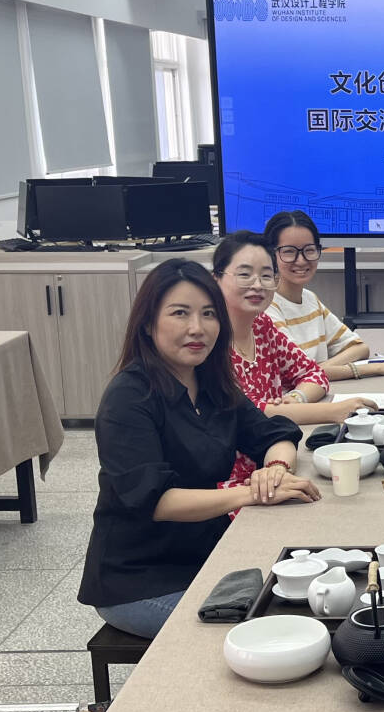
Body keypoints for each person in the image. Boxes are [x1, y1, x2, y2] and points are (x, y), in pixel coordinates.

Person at [78, 259, 320, 639]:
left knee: (308, 597)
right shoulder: (128, 397)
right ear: (148, 323)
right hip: (138, 582)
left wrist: (275, 469)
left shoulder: (212, 383)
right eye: (180, 313)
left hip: (206, 557)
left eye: (209, 314)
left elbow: (276, 432)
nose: (197, 328)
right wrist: (251, 493)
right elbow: (157, 501)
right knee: (270, 633)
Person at [212, 230, 378, 489]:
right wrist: (333, 411)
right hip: (228, 482)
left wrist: (296, 398)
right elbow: (253, 413)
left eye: (266, 275)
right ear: (216, 279)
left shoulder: (261, 326)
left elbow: (314, 374)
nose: (257, 284)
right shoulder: (209, 343)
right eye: (244, 275)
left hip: (273, 460)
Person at [264, 210, 384, 380]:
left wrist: (318, 370)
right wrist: (376, 368)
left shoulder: (309, 299)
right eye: (289, 251)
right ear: (271, 254)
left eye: (309, 250)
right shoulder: (266, 308)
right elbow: (296, 374)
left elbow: (359, 348)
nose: (301, 260)